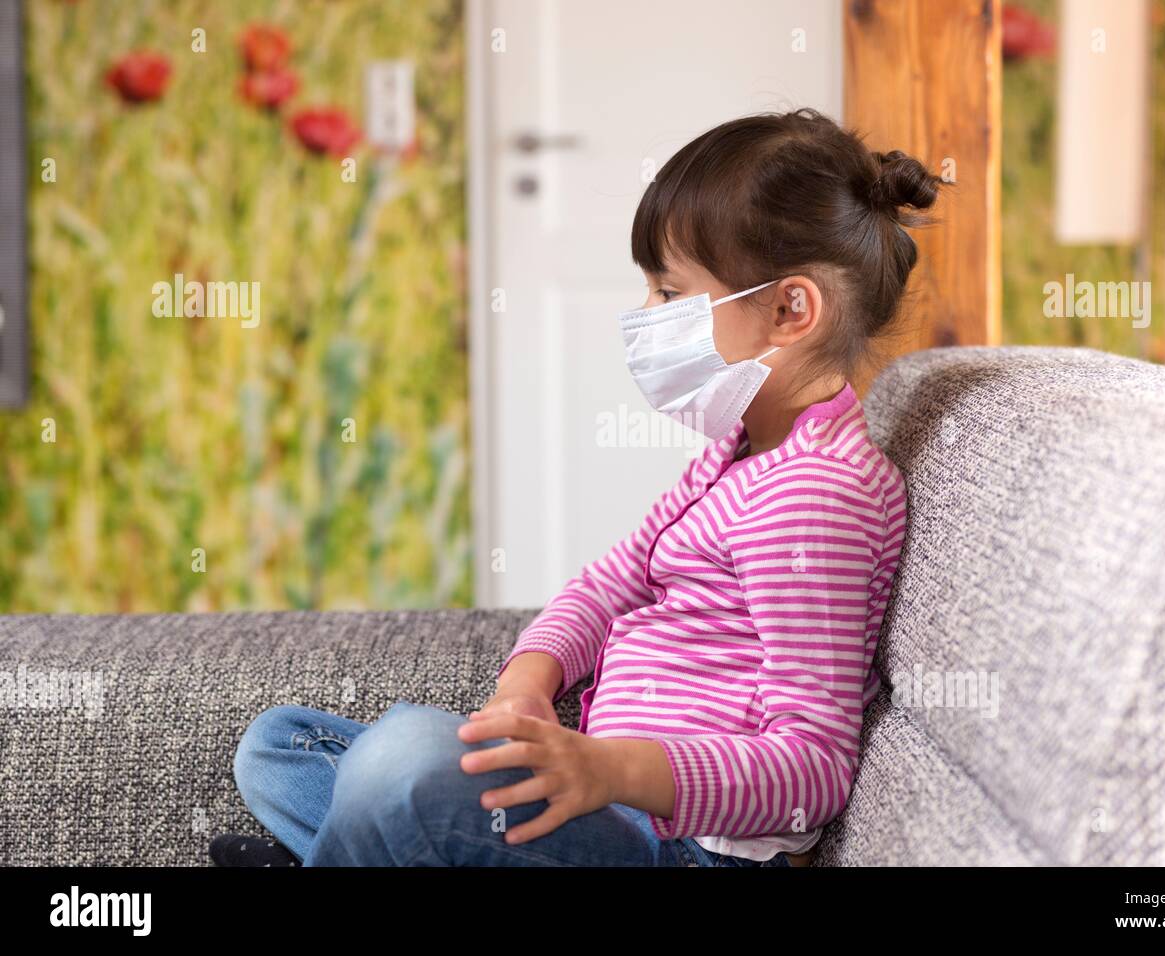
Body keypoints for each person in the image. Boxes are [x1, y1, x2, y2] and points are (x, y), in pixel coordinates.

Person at [211, 107, 940, 867]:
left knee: (401, 762)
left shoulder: (816, 496)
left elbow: (810, 769)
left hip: (682, 847)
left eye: (669, 292)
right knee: (282, 745)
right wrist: (527, 681)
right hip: (599, 806)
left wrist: (605, 769)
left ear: (790, 310)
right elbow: (607, 585)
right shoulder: (738, 450)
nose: (644, 316)